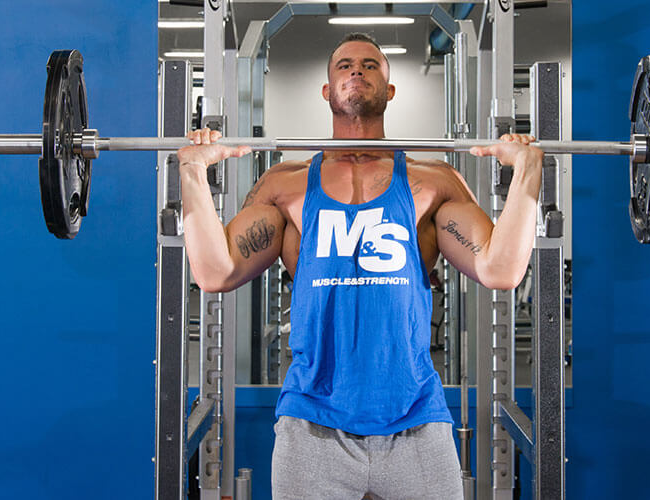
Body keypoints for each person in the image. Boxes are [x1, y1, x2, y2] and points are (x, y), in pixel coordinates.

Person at [177, 33, 542, 500]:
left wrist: (528, 170)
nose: (357, 71)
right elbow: (215, 272)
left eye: (371, 65)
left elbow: (501, 270)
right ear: (328, 91)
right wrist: (192, 172)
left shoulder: (431, 182)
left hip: (416, 420)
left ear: (390, 91)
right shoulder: (285, 185)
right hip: (312, 424)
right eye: (345, 65)